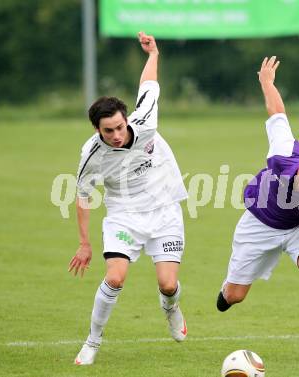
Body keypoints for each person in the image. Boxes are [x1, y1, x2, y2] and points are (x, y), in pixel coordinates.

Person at [69, 32, 188, 365]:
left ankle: (171, 308)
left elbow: (149, 85)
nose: (117, 135)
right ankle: (92, 342)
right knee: (115, 277)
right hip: (124, 214)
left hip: (164, 208)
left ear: (126, 119)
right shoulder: (91, 155)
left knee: (168, 285)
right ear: (97, 130)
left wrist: (153, 53)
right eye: (109, 131)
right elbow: (83, 196)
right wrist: (84, 243)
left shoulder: (145, 120)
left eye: (120, 127)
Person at [216, 57, 299, 362]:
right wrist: (267, 83)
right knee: (234, 297)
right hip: (260, 222)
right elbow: (278, 113)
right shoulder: (284, 154)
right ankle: (227, 290)